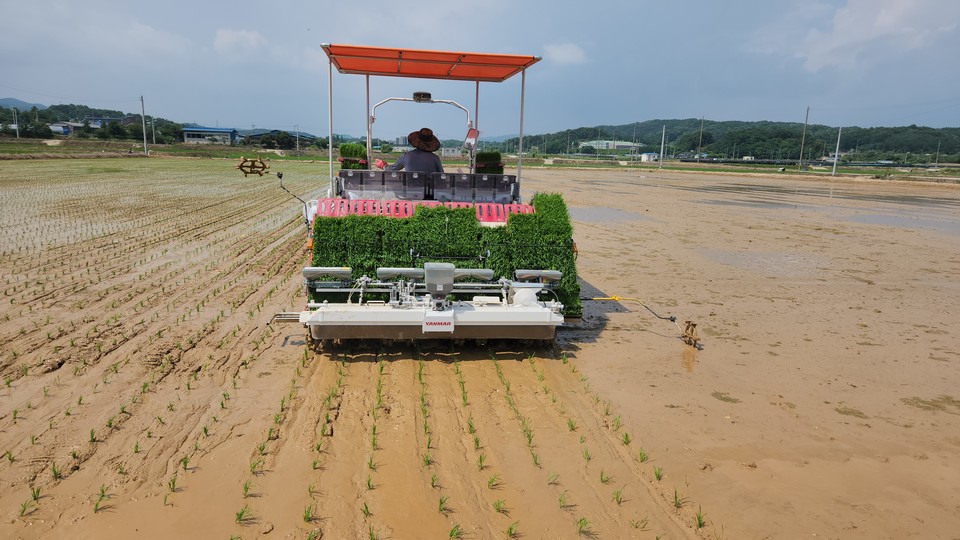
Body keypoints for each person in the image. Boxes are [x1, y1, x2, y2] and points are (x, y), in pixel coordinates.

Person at [375, 127, 444, 173]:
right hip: (430, 192)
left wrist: (383, 165)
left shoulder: (407, 156)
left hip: (411, 191)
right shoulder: (435, 158)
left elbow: (392, 169)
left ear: (416, 142)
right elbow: (441, 176)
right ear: (431, 144)